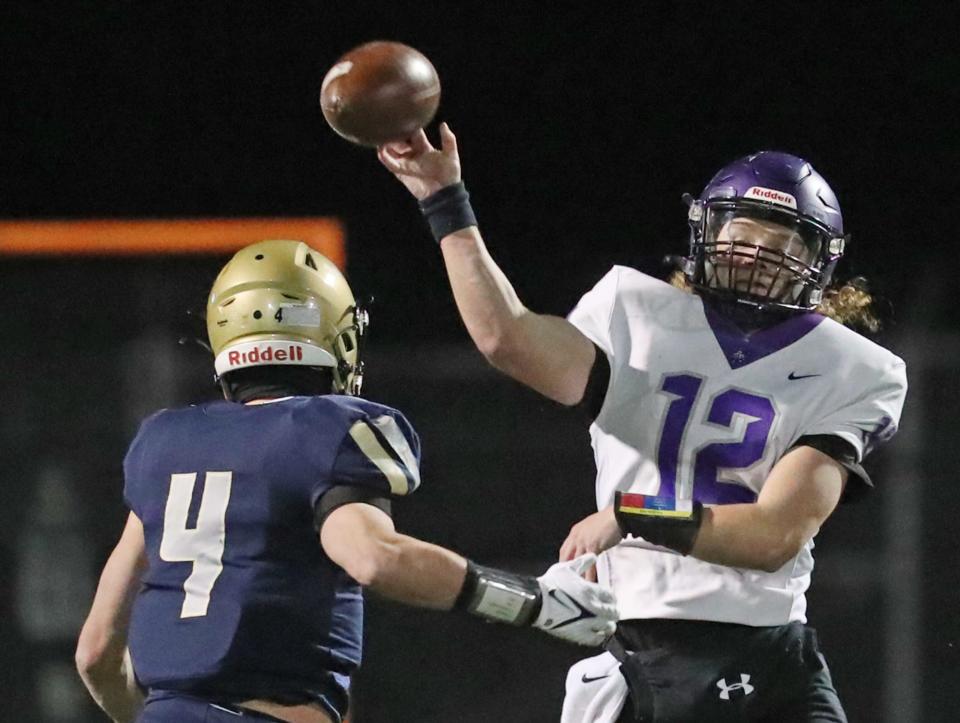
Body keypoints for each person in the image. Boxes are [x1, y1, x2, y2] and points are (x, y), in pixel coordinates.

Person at [378, 128, 907, 722]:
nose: (757, 255)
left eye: (781, 240)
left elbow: (772, 536)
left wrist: (633, 513)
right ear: (707, 232)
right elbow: (507, 338)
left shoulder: (855, 368)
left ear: (819, 262)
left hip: (769, 646)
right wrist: (444, 200)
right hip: (640, 645)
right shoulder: (636, 312)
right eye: (742, 234)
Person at [75, 239, 618, 723]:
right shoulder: (327, 429)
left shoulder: (165, 442)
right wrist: (535, 601)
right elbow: (374, 557)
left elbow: (96, 651)